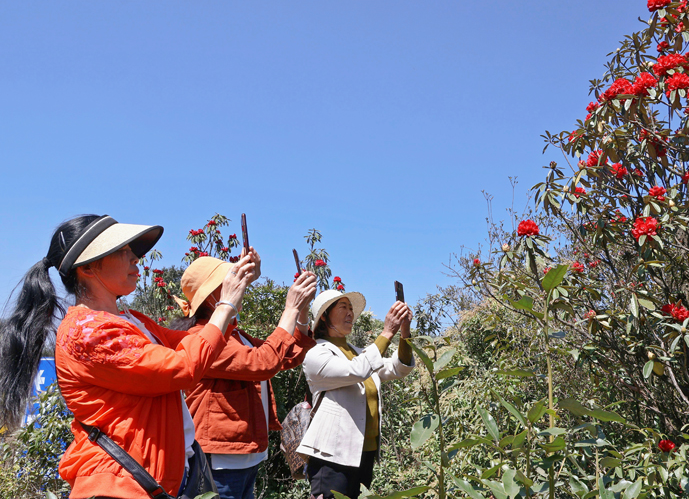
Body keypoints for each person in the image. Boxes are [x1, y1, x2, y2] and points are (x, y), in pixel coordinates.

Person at [0, 214, 258, 499]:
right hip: (120, 486)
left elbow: (199, 343)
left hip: (146, 481)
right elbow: (182, 366)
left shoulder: (131, 319)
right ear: (87, 268)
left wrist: (234, 294)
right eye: (123, 251)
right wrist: (225, 304)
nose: (136, 258)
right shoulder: (87, 332)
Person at [173, 256, 318, 499]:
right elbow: (263, 362)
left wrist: (301, 313)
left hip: (245, 454)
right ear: (211, 297)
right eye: (229, 280)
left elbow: (286, 356)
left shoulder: (235, 336)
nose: (238, 285)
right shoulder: (202, 338)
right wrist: (290, 308)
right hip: (221, 461)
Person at [298, 288, 415, 499]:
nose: (350, 313)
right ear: (324, 317)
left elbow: (400, 368)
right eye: (343, 307)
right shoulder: (316, 354)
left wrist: (404, 331)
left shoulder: (359, 353)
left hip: (363, 454)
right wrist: (387, 332)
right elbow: (357, 371)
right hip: (332, 457)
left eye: (351, 308)